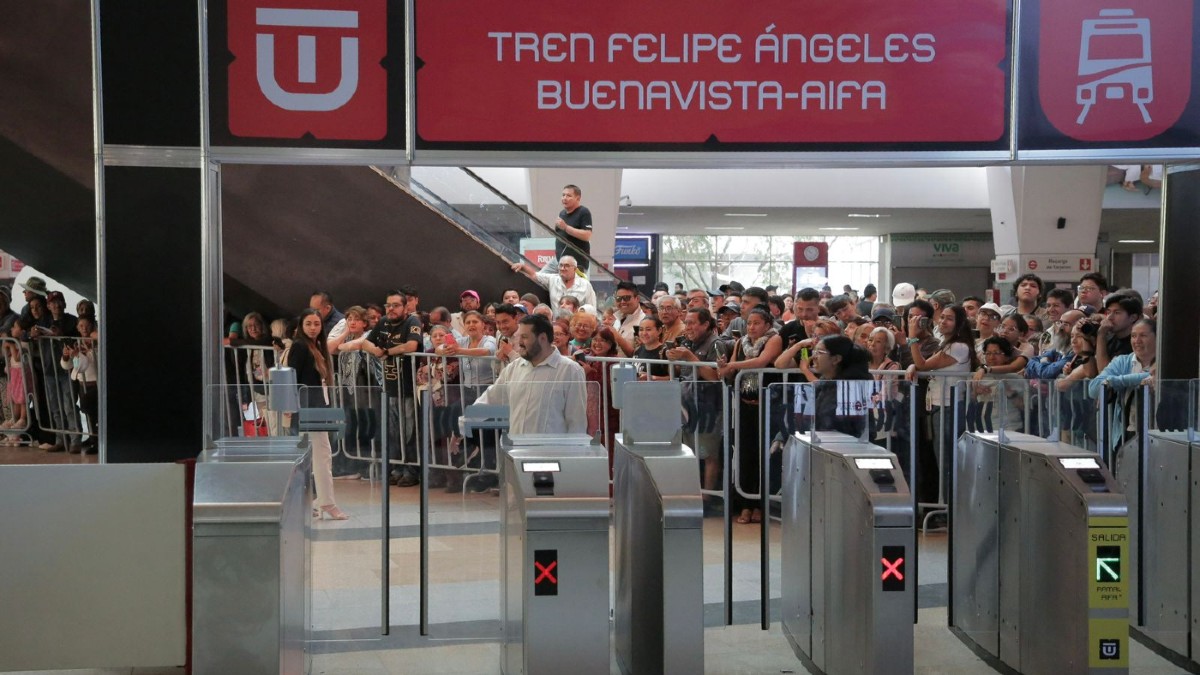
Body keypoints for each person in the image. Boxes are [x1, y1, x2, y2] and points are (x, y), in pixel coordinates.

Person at [906, 304, 977, 513]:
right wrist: (914, 365)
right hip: (939, 405)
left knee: (947, 460)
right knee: (941, 458)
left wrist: (912, 338)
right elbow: (921, 364)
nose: (943, 321)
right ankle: (947, 506)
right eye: (942, 317)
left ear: (959, 323)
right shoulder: (948, 345)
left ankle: (949, 508)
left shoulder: (958, 347)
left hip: (949, 406)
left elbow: (923, 365)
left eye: (949, 319)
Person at [718, 308, 782, 525]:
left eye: (756, 323)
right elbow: (728, 372)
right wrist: (724, 366)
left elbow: (762, 362)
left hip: (767, 406)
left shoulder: (774, 339)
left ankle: (761, 504)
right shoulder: (740, 343)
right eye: (749, 323)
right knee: (746, 454)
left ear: (766, 324)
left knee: (765, 455)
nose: (751, 327)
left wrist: (733, 365)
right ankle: (745, 503)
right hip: (745, 405)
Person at [474, 315, 587, 435]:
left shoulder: (570, 371)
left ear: (542, 338)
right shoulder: (514, 368)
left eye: (524, 337)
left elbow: (576, 422)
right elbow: (490, 399)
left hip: (552, 452)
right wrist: (461, 425)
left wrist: (575, 451)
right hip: (517, 451)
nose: (519, 342)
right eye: (519, 337)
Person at [288, 309, 348, 520]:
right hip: (307, 409)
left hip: (318, 407)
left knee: (321, 456)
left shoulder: (317, 346)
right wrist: (293, 408)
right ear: (301, 326)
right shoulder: (300, 346)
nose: (313, 328)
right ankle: (325, 502)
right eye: (308, 324)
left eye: (316, 324)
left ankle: (319, 501)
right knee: (319, 456)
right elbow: (292, 379)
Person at [365, 290, 425, 487]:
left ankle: (411, 470)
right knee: (394, 431)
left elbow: (411, 346)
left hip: (408, 386)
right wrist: (374, 350)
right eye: (388, 305)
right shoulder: (383, 322)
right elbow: (366, 341)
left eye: (395, 305)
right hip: (390, 387)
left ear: (405, 307)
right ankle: (398, 467)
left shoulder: (412, 322)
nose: (390, 309)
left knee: (409, 431)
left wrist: (388, 351)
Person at [669, 307, 725, 509]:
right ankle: (690, 492)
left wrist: (691, 357)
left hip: (710, 407)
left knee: (709, 453)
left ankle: (707, 499)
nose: (688, 327)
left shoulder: (716, 344)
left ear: (706, 324)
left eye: (693, 323)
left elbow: (715, 377)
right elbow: (683, 372)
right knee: (688, 450)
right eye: (687, 322)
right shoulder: (687, 342)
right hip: (687, 405)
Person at [1089, 319, 1155, 454]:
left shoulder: (1166, 362)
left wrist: (1113, 381)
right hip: (1127, 433)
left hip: (1158, 433)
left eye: (1143, 335)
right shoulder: (1122, 361)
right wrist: (1142, 377)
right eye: (1133, 336)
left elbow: (1165, 378)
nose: (1137, 341)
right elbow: (1094, 389)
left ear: (1157, 337)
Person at [512, 255, 596, 309]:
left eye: (567, 266)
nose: (563, 268)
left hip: (577, 327)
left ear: (574, 269)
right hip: (558, 328)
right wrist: (522, 266)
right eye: (561, 265)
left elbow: (592, 309)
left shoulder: (585, 285)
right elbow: (534, 274)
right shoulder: (552, 279)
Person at [1094, 292, 1141, 372]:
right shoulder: (1110, 338)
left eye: (1117, 313)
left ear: (1133, 317)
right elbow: (1091, 374)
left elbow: (1106, 374)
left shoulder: (1136, 343)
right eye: (1108, 312)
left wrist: (1101, 335)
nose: (1110, 317)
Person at [553, 184, 593, 273]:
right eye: (563, 195)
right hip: (559, 261)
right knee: (539, 278)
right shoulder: (562, 213)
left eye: (568, 195)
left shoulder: (583, 212)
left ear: (578, 198)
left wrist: (566, 227)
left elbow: (587, 236)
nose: (564, 198)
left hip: (576, 264)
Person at [633, 316, 670, 381]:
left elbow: (674, 378)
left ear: (659, 330)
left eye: (648, 329)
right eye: (641, 329)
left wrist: (653, 378)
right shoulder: (638, 350)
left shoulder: (665, 352)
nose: (644, 333)